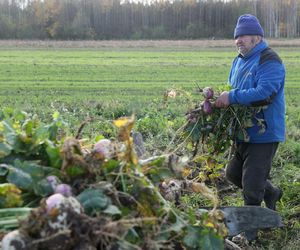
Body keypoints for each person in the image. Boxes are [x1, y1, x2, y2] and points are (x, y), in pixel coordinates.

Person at [215, 14, 285, 241]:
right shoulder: (238, 60)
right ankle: (272, 192)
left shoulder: (269, 59)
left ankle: (250, 235)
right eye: (237, 36)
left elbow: (266, 94)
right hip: (243, 132)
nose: (239, 40)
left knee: (252, 187)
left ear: (257, 37)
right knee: (233, 174)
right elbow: (232, 89)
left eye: (243, 36)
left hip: (264, 134)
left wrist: (232, 97)